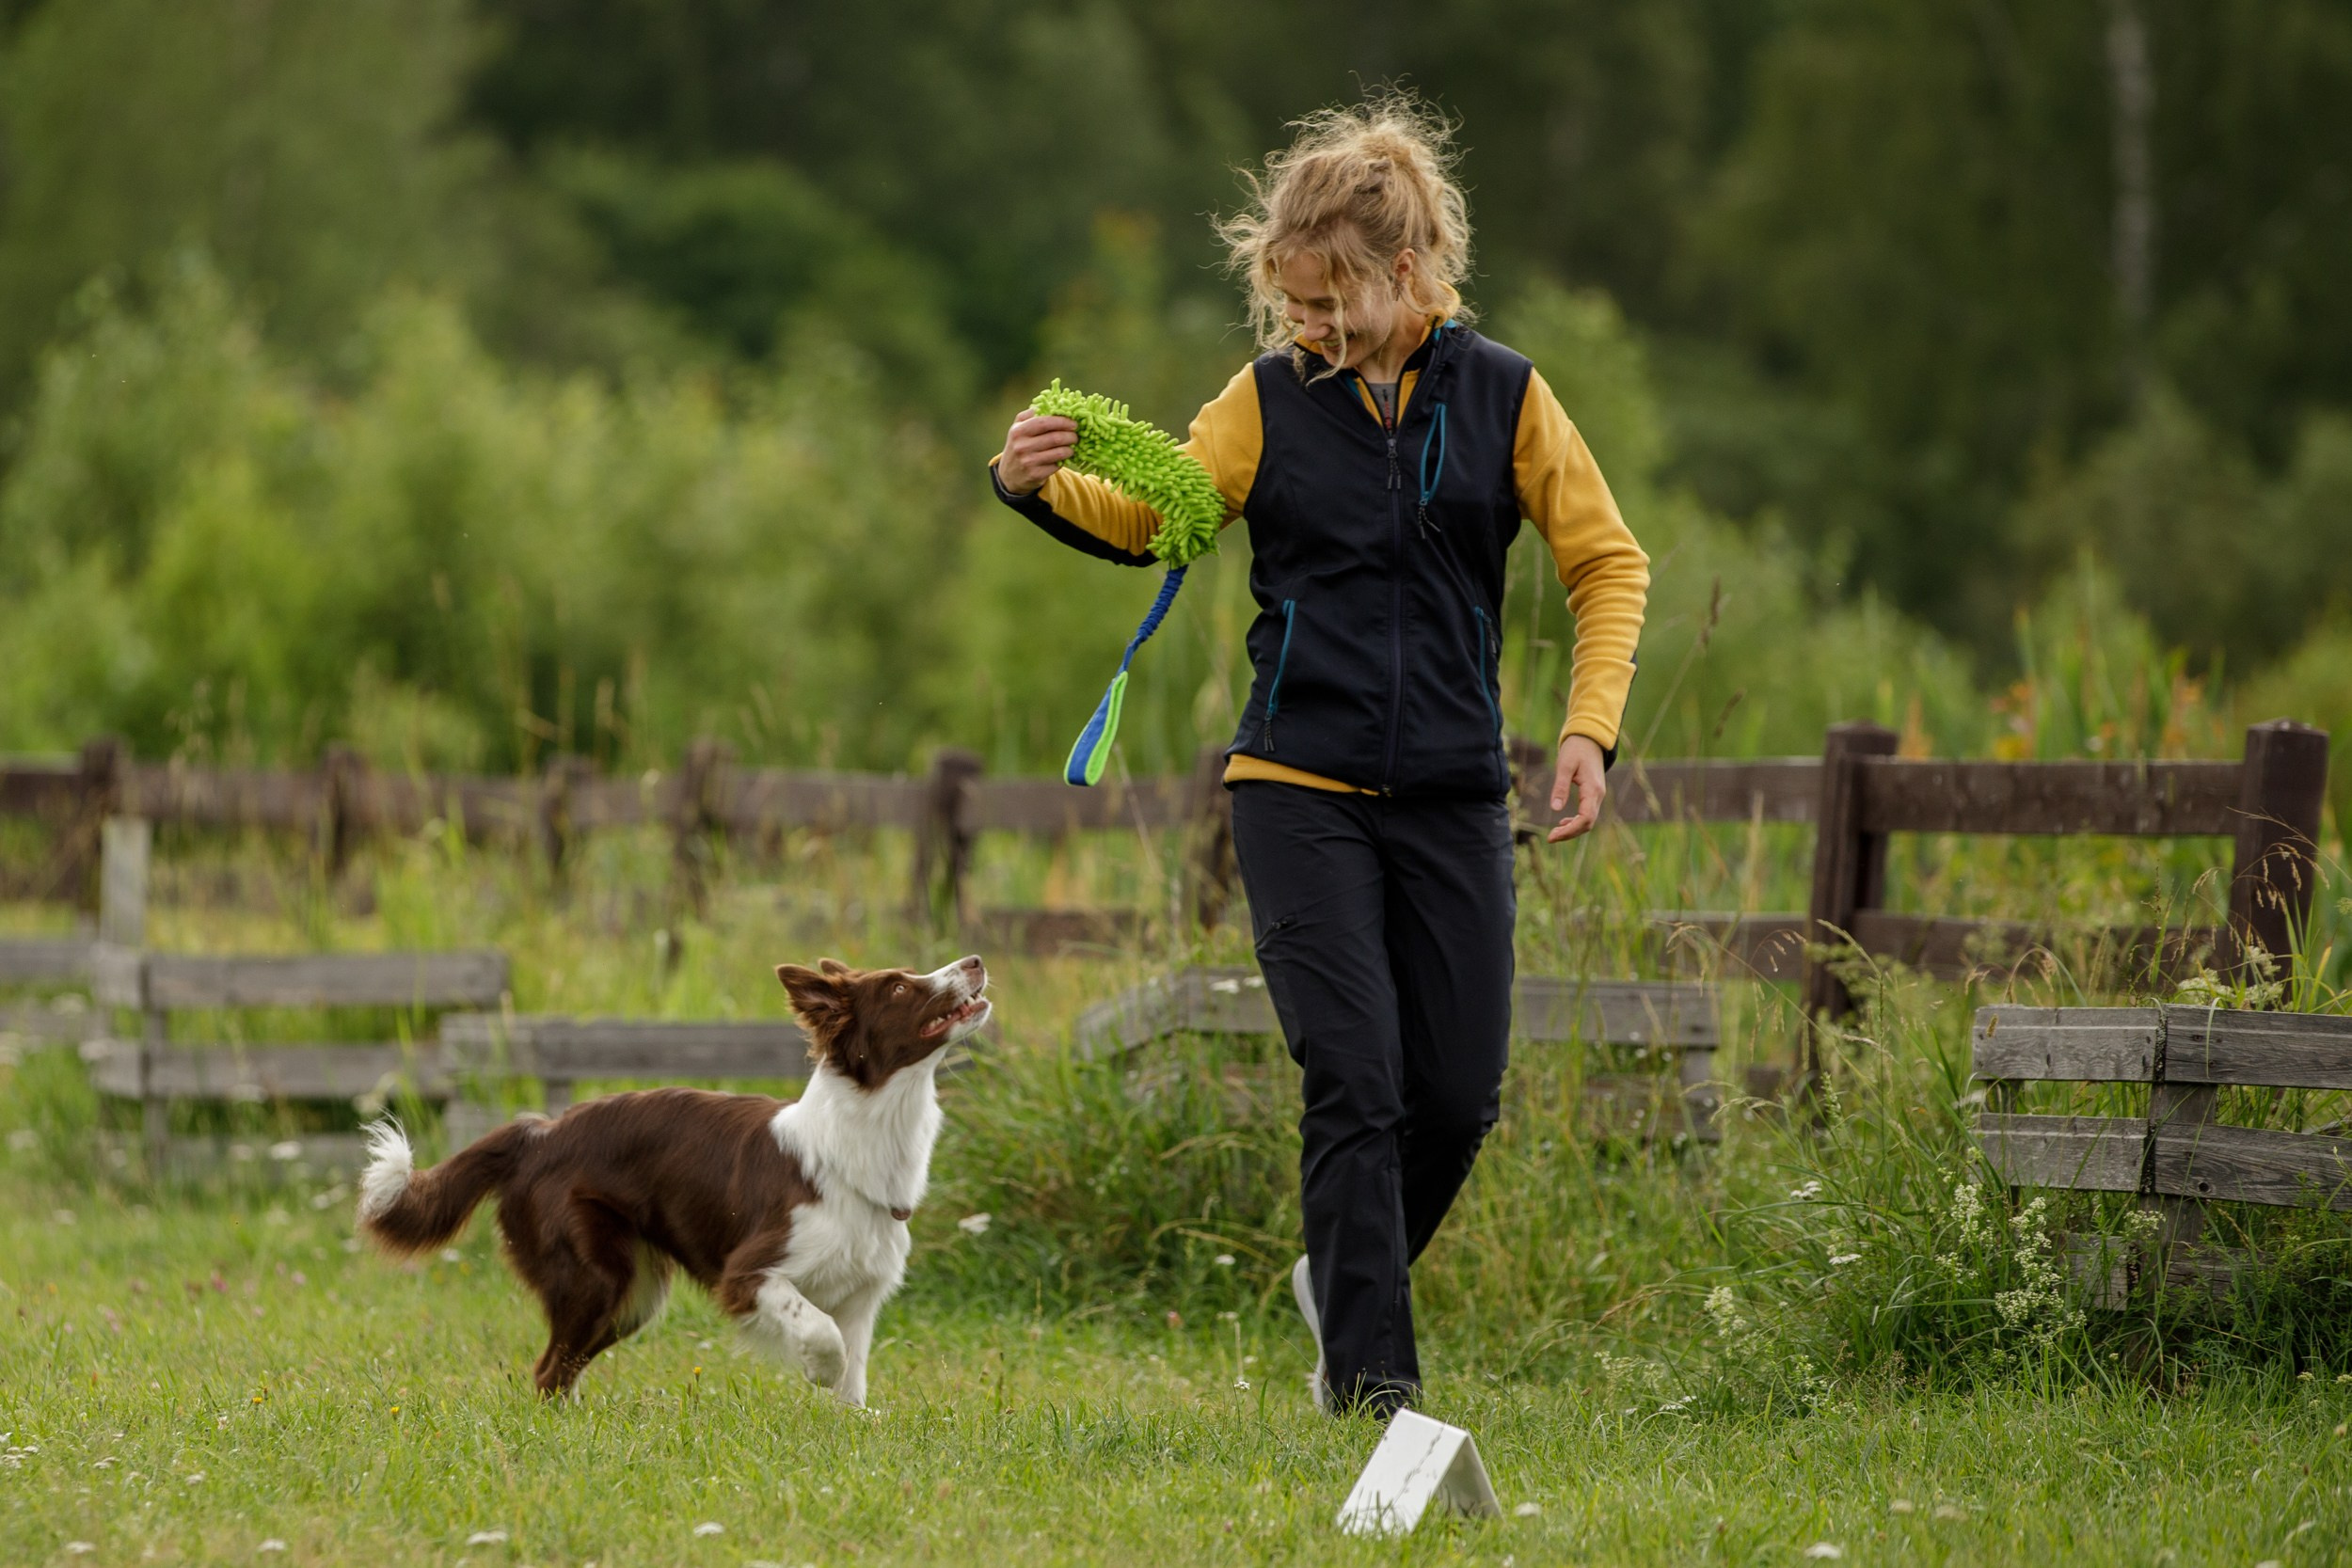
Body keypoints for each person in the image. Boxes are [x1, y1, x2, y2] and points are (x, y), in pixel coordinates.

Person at [990, 94, 1649, 1418]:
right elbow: (1157, 516)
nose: (1307, 325)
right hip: (1296, 786)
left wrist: (1588, 731)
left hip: (1458, 791)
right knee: (1353, 1071)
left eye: (1328, 299)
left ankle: (1341, 1277)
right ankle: (1371, 1392)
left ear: (1407, 272)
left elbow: (1606, 563)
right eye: (1288, 302)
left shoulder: (1508, 394)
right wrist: (1035, 483)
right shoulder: (1263, 404)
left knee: (1456, 1098)